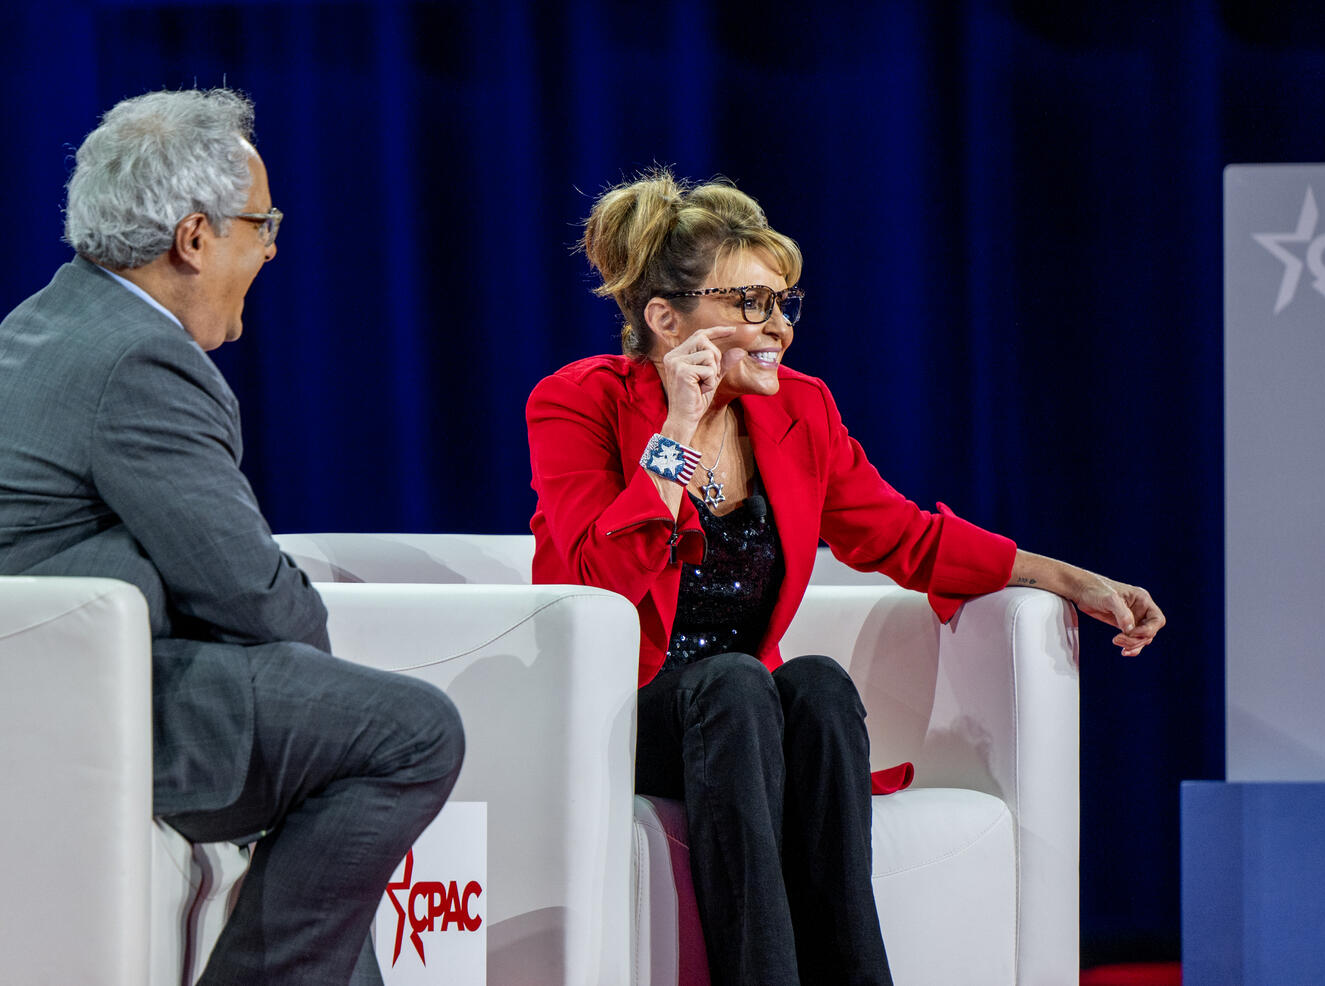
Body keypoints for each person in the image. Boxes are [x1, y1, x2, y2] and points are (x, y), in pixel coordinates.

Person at [526, 168, 1165, 986]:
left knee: (819, 685)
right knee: (733, 685)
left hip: (740, 719)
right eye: (750, 304)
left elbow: (902, 535)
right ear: (664, 318)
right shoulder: (578, 403)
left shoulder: (801, 410)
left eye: (784, 303)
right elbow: (594, 583)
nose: (779, 328)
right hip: (621, 712)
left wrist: (1068, 578)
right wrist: (679, 430)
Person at [0, 89, 465, 985]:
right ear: (194, 237)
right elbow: (253, 597)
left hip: (58, 675)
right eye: (262, 222)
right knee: (408, 730)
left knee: (338, 769)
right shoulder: (140, 357)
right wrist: (320, 668)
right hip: (91, 702)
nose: (273, 246)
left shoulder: (45, 321)